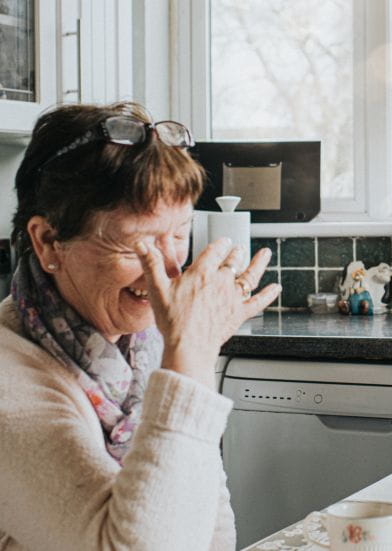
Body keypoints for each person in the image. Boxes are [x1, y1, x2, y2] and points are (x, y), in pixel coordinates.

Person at [0, 102, 280, 550]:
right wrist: (191, 352)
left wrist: (184, 353)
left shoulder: (145, 349)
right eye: (139, 245)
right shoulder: (9, 380)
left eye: (179, 233)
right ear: (49, 241)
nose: (170, 268)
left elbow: (211, 523)